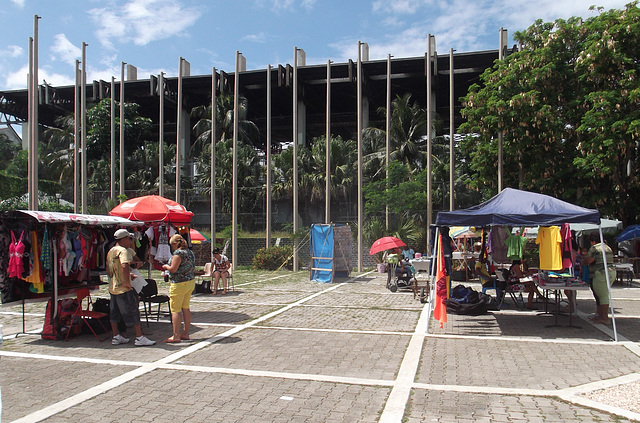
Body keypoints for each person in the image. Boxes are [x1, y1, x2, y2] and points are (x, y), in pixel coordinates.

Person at [106, 229, 156, 346]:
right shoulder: (123, 251)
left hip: (113, 287)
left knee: (114, 314)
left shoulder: (111, 251)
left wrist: (126, 275)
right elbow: (124, 265)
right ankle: (139, 337)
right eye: (129, 239)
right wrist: (127, 281)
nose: (130, 241)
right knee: (133, 312)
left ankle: (116, 336)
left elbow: (109, 269)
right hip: (123, 288)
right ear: (123, 239)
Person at [162, 234, 196, 343]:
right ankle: (186, 333)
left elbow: (173, 269)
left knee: (175, 310)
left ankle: (175, 336)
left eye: (172, 244)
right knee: (185, 307)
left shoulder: (178, 254)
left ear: (175, 244)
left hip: (178, 283)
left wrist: (165, 266)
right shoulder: (190, 252)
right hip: (190, 282)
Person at [582, 232, 616, 324]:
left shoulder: (595, 248)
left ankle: (604, 318)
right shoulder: (607, 247)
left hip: (601, 273)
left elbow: (590, 260)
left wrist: (583, 261)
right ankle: (600, 315)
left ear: (593, 241)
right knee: (601, 294)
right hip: (611, 271)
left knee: (602, 295)